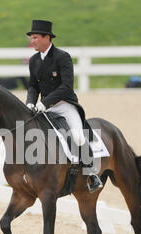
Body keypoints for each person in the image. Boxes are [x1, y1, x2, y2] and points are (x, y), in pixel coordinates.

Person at [25, 19, 103, 193]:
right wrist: (30, 102)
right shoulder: (34, 60)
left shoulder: (62, 57)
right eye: (32, 38)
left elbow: (66, 86)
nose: (32, 41)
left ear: (47, 38)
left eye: (36, 37)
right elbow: (33, 86)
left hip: (65, 104)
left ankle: (92, 175)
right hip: (44, 107)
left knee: (77, 137)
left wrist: (45, 102)